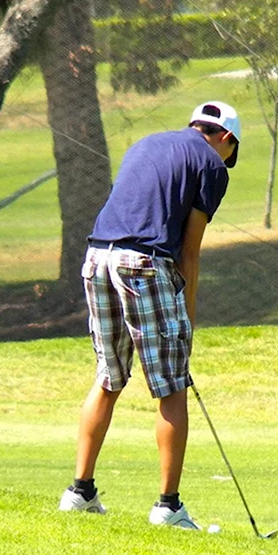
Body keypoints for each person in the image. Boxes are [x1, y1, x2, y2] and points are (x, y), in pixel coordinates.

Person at [58, 101, 241, 530]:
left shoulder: (146, 144)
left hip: (96, 259)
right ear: (226, 139)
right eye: (232, 152)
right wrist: (188, 320)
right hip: (142, 264)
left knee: (108, 376)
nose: (229, 161)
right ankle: (168, 507)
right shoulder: (212, 166)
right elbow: (189, 253)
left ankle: (80, 492)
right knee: (172, 385)